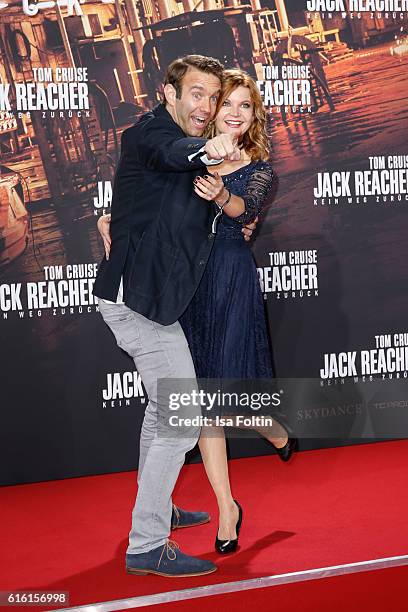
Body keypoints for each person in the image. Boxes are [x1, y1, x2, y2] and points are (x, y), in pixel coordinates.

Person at [98, 68, 297, 558]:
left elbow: (246, 212)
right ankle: (226, 507)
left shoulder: (257, 168)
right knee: (199, 403)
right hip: (184, 292)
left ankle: (269, 426)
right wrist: (109, 223)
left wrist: (223, 195)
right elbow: (151, 182)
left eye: (243, 105)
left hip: (228, 283)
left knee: (221, 398)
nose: (230, 111)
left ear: (254, 116)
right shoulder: (186, 154)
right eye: (222, 101)